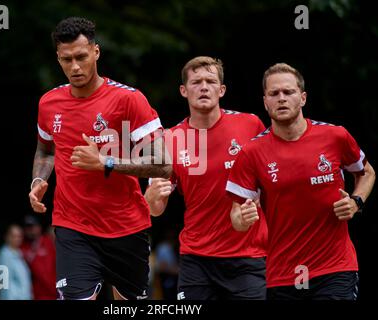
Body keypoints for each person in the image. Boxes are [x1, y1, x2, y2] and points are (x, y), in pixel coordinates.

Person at [28, 17, 171, 300]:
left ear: (96, 52)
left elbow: (163, 164)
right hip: (73, 226)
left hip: (126, 227)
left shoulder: (128, 101)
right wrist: (38, 179)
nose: (75, 66)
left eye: (81, 56)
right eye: (67, 59)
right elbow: (45, 150)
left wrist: (106, 163)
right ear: (58, 58)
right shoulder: (48, 103)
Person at [226, 63, 376, 300]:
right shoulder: (251, 152)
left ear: (303, 98)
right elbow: (236, 218)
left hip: (335, 267)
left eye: (288, 92)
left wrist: (357, 201)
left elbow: (366, 172)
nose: (281, 99)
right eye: (274, 94)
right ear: (265, 101)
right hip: (283, 274)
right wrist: (243, 218)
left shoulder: (335, 136)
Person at [145, 56, 268, 300]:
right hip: (197, 258)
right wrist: (149, 199)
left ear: (221, 90)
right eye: (196, 82)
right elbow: (156, 209)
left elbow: (273, 180)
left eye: (211, 81)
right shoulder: (169, 139)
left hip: (248, 255)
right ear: (183, 90)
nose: (203, 87)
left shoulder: (250, 125)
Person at [20, 214, 56, 300]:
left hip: (56, 293)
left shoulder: (48, 241)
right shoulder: (22, 247)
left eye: (32, 226)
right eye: (27, 227)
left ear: (39, 227)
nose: (30, 230)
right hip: (38, 295)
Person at [0, 224, 33, 300]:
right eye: (13, 236)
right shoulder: (4, 256)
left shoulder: (18, 253)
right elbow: (3, 285)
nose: (17, 239)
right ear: (6, 237)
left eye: (19, 236)